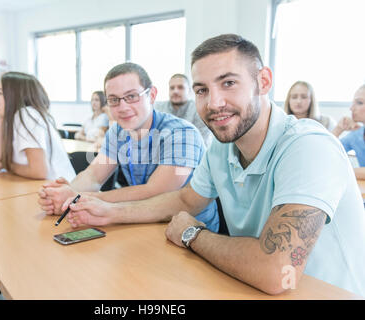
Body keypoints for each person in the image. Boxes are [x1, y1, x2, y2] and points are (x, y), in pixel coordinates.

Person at [59, 34, 365, 297]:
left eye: (228, 83)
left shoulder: (308, 146)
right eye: (202, 90)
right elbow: (185, 199)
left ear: (264, 82)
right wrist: (110, 212)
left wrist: (194, 235)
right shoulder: (223, 145)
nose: (214, 103)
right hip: (253, 288)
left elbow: (277, 271)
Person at [38, 62, 219, 233]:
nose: (123, 107)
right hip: (140, 223)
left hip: (190, 232)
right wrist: (65, 195)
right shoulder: (118, 131)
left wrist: (78, 197)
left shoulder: (182, 133)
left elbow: (155, 191)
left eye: (131, 96)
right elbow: (93, 176)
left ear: (152, 95)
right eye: (114, 100)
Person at [0, 71, 76, 181]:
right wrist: (1, 118)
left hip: (61, 191)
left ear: (14, 95)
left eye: (0, 92)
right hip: (45, 188)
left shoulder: (26, 115)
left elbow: (39, 171)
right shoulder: (17, 117)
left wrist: (9, 165)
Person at [155, 74, 213, 147]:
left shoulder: (199, 110)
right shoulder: (157, 108)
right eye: (172, 88)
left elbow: (202, 143)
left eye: (180, 87)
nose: (175, 91)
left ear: (189, 90)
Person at [332, 84, 365, 179]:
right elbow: (326, 152)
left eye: (359, 103)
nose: (351, 108)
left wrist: (342, 171)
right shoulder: (357, 135)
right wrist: (338, 129)